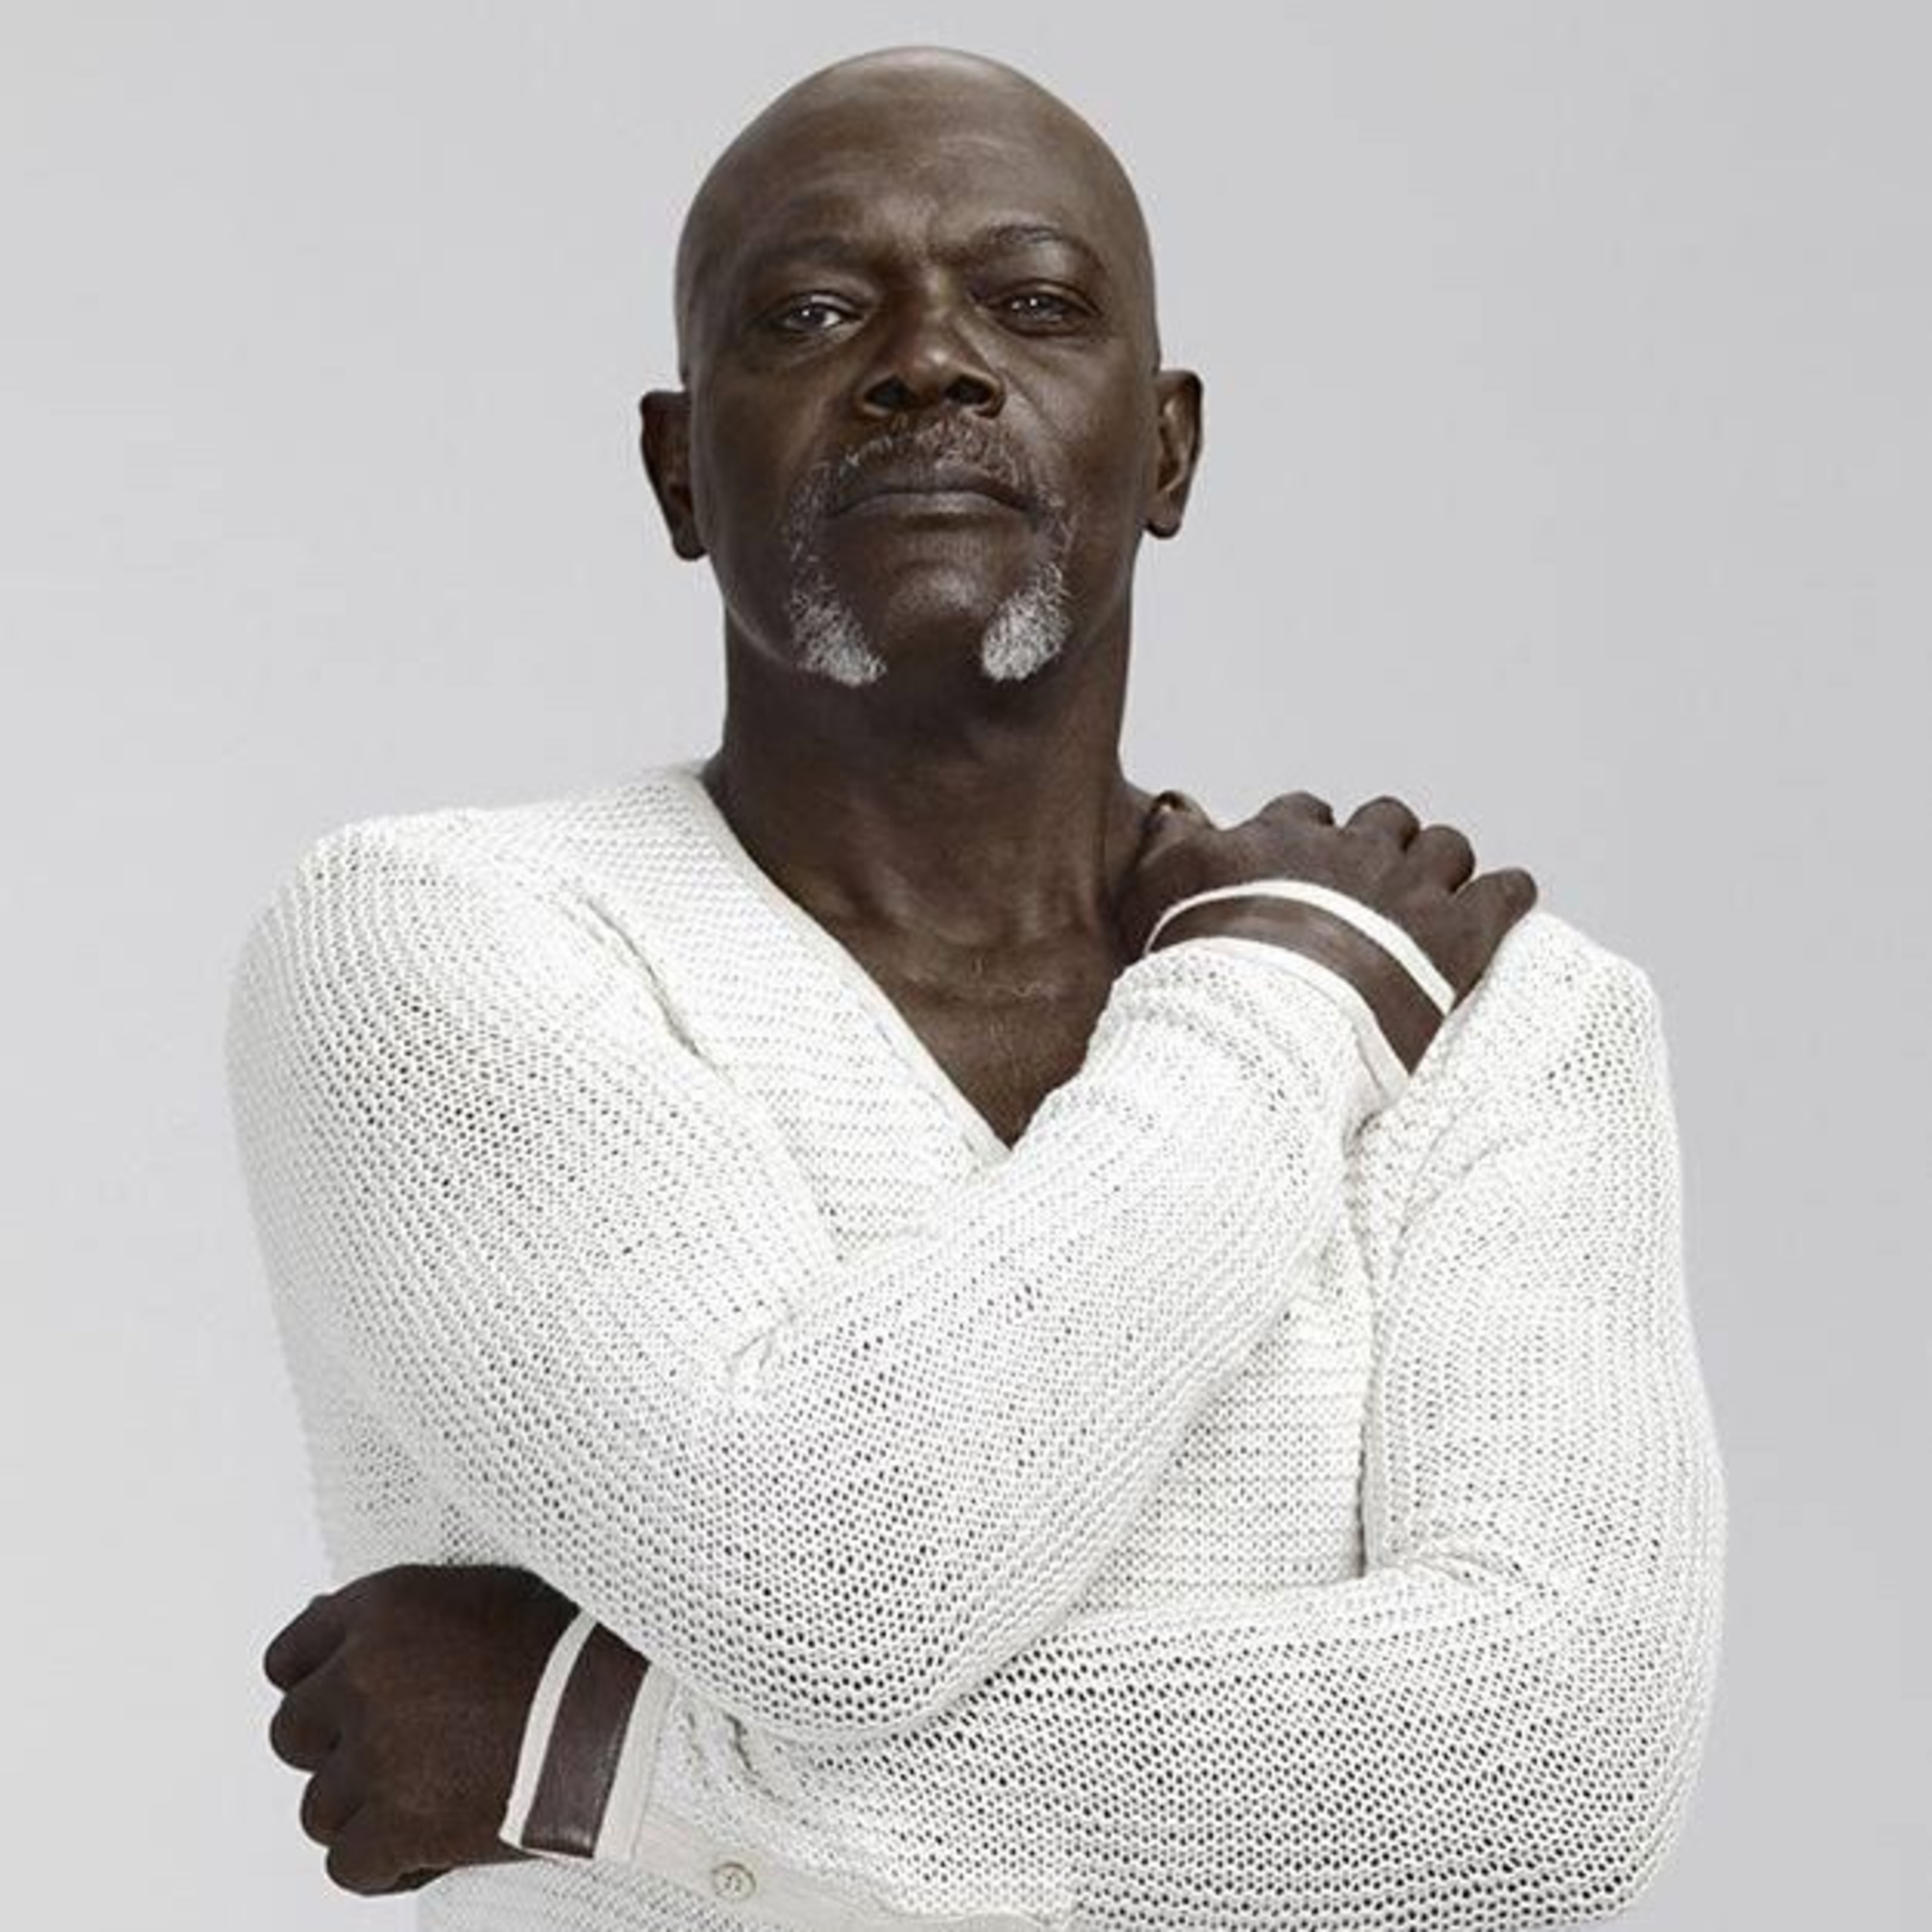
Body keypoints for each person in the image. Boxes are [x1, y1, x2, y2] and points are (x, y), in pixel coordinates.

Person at [227, 43, 1725, 1932]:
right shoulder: (436, 947)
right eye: (812, 312)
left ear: (1166, 447)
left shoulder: (1512, 1024)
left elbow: (1551, 1781)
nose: (927, 362)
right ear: (679, 466)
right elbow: (828, 1577)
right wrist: (1276, 1008)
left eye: (1032, 303)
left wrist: (612, 1759)